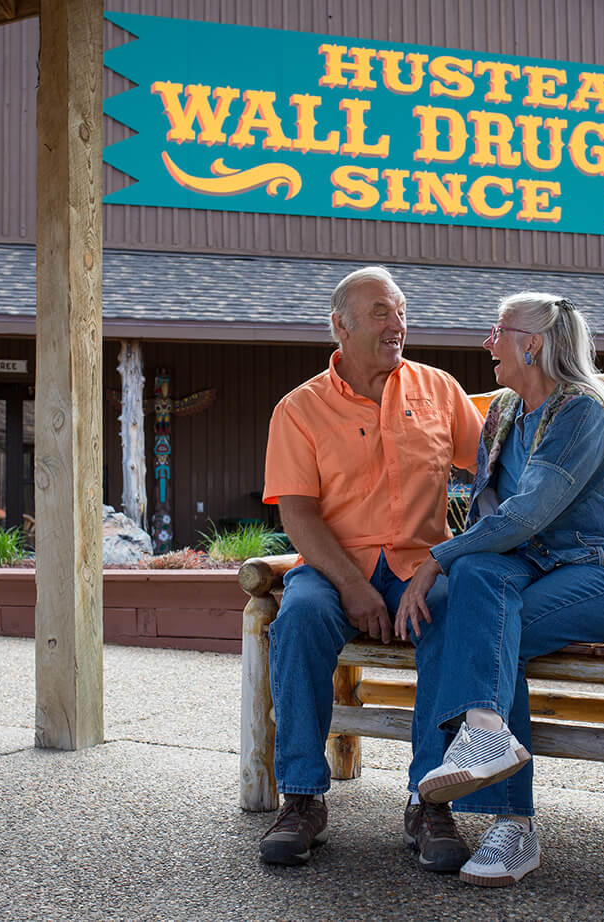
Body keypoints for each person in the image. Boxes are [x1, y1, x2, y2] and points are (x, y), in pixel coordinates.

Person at [396, 292, 604, 888]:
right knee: (476, 585)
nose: (487, 342)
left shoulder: (581, 411)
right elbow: (486, 522)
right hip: (542, 570)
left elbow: (524, 516)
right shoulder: (502, 414)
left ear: (532, 343)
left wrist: (434, 559)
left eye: (498, 330)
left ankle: (509, 820)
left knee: (487, 624)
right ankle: (486, 736)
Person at [257, 266, 484, 871]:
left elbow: (492, 473)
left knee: (458, 610)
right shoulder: (299, 408)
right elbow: (299, 516)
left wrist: (467, 554)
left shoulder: (438, 390)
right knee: (299, 615)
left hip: (421, 566)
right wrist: (354, 587)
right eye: (381, 312)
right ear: (341, 325)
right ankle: (301, 797)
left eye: (401, 310)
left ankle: (428, 799)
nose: (397, 323)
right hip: (334, 568)